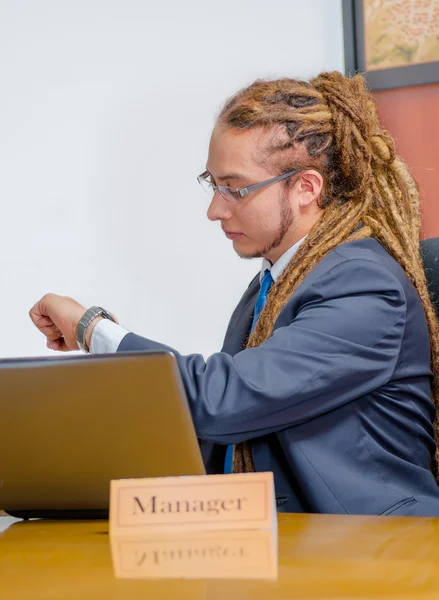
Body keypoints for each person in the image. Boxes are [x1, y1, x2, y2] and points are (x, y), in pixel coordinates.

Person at [30, 71, 439, 516]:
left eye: (235, 189)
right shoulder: (274, 284)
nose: (215, 209)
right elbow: (218, 426)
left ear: (306, 188)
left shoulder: (363, 286)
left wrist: (93, 329)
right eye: (213, 184)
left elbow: (222, 402)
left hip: (373, 552)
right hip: (288, 539)